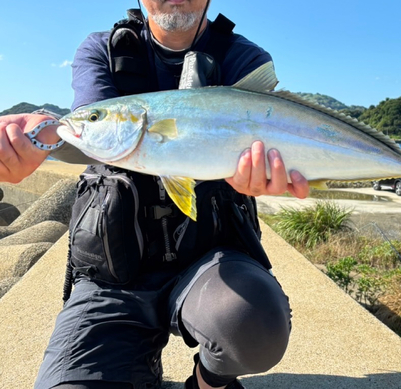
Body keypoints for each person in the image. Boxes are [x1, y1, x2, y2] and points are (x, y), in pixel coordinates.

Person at [0, 1, 309, 388]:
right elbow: (91, 126)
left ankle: (207, 380)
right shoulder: (103, 50)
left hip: (213, 259)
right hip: (114, 269)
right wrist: (41, 133)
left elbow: (273, 134)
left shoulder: (243, 56)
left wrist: (262, 175)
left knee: (254, 321)